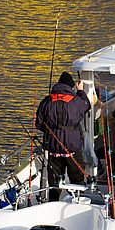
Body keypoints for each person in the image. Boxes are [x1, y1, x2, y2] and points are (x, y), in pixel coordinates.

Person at [36, 71, 91, 202]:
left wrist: (51, 132)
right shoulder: (76, 101)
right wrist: (81, 91)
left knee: (54, 182)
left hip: (53, 148)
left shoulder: (47, 101)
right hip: (72, 148)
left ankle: (52, 203)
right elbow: (87, 105)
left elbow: (39, 124)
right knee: (76, 179)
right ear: (71, 87)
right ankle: (77, 202)